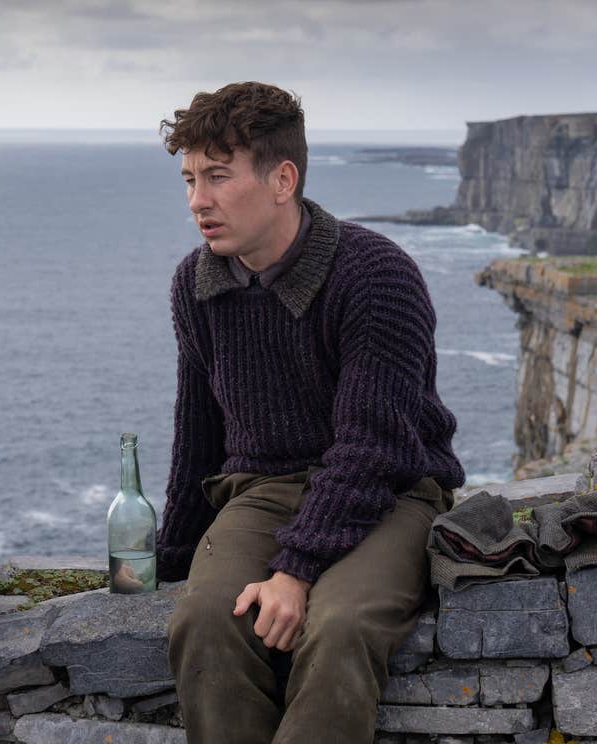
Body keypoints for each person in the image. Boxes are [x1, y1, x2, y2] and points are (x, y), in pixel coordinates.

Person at [155, 82, 465, 743]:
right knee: (206, 619)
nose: (197, 201)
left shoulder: (375, 274)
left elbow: (372, 448)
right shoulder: (196, 283)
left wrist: (295, 572)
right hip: (261, 492)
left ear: (281, 179)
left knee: (340, 626)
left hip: (390, 493)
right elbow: (198, 431)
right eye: (188, 180)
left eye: (216, 176)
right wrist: (174, 559)